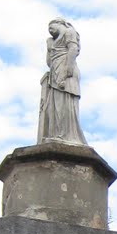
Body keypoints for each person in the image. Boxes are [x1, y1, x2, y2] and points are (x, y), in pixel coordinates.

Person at [38, 17, 87, 145]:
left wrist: (68, 68)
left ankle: (66, 135)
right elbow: (49, 62)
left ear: (60, 23)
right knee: (56, 105)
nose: (49, 30)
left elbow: (73, 49)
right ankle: (57, 133)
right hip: (55, 73)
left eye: (51, 26)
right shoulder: (52, 41)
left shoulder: (69, 32)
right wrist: (49, 48)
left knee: (66, 105)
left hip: (66, 72)